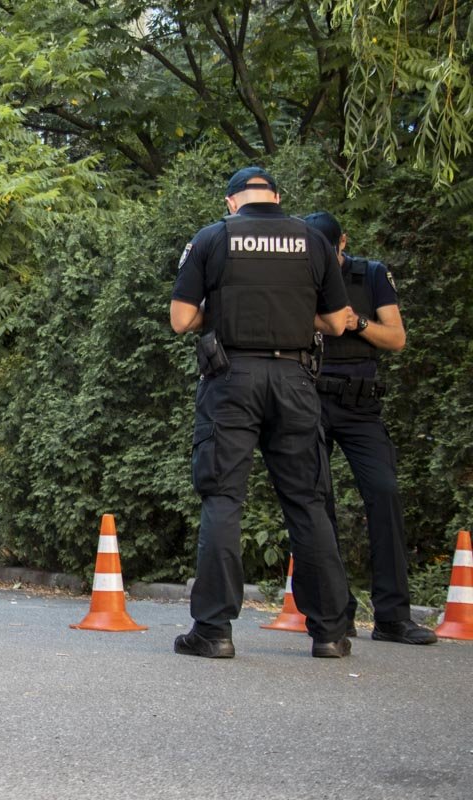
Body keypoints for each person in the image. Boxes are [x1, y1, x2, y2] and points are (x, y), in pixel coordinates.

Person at [169, 166, 353, 658]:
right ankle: (331, 633)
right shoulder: (313, 240)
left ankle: (213, 632)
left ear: (232, 202)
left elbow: (182, 318)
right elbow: (337, 322)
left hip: (231, 380)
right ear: (276, 197)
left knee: (223, 499)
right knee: (307, 502)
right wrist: (290, 310)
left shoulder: (213, 238)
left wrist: (229, 307)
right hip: (295, 381)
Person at [301, 211, 436, 645]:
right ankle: (334, 616)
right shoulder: (297, 275)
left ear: (343, 244)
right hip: (311, 399)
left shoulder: (371, 274)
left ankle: (393, 617)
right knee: (317, 505)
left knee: (384, 493)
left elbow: (396, 338)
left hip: (360, 405)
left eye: (329, 252)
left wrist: (354, 321)